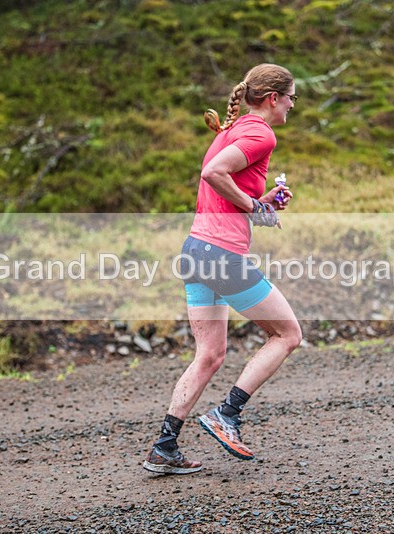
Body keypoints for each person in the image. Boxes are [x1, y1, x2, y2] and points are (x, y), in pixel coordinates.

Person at [143, 64, 303, 475]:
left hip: (196, 250)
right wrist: (254, 206)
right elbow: (212, 174)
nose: (292, 105)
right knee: (287, 334)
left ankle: (164, 446)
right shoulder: (260, 133)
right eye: (291, 97)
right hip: (221, 256)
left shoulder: (230, 132)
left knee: (209, 354)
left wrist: (260, 202)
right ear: (273, 98)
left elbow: (223, 191)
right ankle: (226, 415)